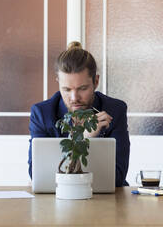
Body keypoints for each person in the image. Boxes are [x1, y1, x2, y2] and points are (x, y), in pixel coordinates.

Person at [28, 41, 130, 187]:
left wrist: (89, 142)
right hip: (59, 198)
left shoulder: (115, 109)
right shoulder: (42, 114)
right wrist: (83, 140)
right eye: (67, 89)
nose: (74, 98)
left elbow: (117, 177)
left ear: (96, 81)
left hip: (107, 199)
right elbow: (36, 173)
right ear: (58, 83)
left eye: (82, 88)